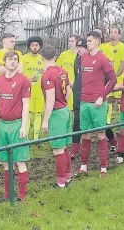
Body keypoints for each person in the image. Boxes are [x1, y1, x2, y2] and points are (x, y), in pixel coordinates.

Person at [0, 51, 31, 203]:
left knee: (20, 161)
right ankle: (7, 194)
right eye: (10, 59)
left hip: (17, 124)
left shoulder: (23, 81)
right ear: (4, 62)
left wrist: (24, 126)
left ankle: (22, 196)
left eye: (16, 59)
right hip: (2, 125)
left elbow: (26, 105)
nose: (13, 61)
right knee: (5, 162)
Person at [76, 31, 117, 178]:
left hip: (97, 103)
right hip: (84, 102)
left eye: (90, 41)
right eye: (87, 41)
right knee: (85, 135)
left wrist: (101, 96)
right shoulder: (83, 57)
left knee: (100, 134)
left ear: (97, 42)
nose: (87, 43)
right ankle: (83, 166)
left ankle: (103, 168)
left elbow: (113, 80)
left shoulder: (102, 58)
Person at [40, 45, 73, 188]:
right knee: (64, 147)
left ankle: (60, 182)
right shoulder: (62, 71)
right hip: (65, 110)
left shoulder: (47, 75)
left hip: (57, 113)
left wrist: (45, 121)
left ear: (42, 58)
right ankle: (67, 176)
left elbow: (50, 100)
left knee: (58, 149)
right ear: (56, 57)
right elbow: (69, 90)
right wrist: (64, 100)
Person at [92, 28, 118, 151]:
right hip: (89, 89)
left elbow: (110, 68)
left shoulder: (107, 49)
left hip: (101, 88)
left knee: (103, 119)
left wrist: (105, 88)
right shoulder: (88, 50)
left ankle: (112, 140)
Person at [23, 36, 45, 140]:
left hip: (40, 92)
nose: (35, 47)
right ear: (29, 47)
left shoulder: (43, 59)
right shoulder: (23, 59)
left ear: (40, 46)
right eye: (33, 45)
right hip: (27, 92)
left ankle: (36, 137)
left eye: (37, 45)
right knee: (27, 113)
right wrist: (29, 79)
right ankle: (26, 135)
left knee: (38, 114)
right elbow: (19, 75)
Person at [69, 38, 88, 158]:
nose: (79, 49)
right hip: (78, 96)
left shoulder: (95, 61)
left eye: (82, 47)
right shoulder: (77, 60)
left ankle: (112, 141)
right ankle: (74, 150)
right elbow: (77, 78)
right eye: (78, 47)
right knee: (76, 122)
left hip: (91, 98)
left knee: (98, 124)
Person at [56, 34, 80, 111]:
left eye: (72, 41)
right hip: (64, 84)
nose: (70, 43)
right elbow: (57, 68)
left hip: (75, 85)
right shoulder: (63, 54)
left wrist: (75, 81)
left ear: (77, 42)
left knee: (75, 107)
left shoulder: (80, 55)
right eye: (69, 41)